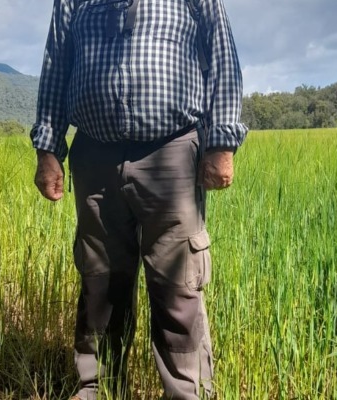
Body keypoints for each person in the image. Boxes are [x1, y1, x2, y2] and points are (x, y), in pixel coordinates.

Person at [31, 0, 247, 398]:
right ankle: (97, 388)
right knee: (100, 280)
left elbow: (221, 53)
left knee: (178, 285)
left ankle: (186, 391)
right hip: (94, 154)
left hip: (173, 151)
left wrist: (221, 142)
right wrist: (48, 149)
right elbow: (56, 63)